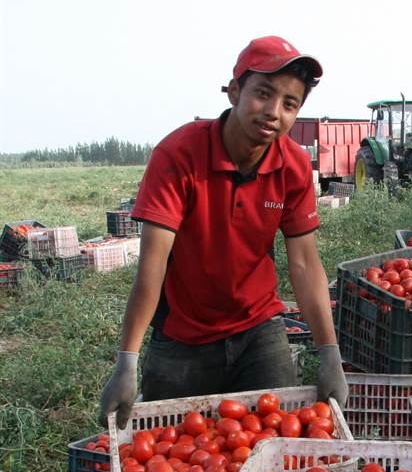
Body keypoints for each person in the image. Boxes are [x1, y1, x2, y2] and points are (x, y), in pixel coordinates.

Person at [99, 36, 348, 429]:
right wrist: (127, 361)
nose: (273, 112)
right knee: (176, 450)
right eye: (263, 93)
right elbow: (153, 262)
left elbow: (304, 264)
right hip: (183, 337)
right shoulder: (179, 155)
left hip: (258, 329)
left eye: (289, 104)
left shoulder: (293, 167)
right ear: (234, 91)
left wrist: (329, 352)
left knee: (275, 446)